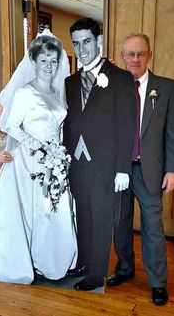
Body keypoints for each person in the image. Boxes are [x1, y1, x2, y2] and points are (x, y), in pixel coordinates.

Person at [0, 31, 77, 284]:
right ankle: (37, 261)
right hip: (30, 160)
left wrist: (56, 152)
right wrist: (39, 147)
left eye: (54, 61)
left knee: (58, 208)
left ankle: (58, 261)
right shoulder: (24, 93)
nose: (50, 66)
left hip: (55, 158)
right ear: (35, 62)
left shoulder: (57, 92)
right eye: (44, 61)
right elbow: (11, 126)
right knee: (39, 210)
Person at [106, 33, 174, 305]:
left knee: (153, 227)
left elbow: (173, 133)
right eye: (130, 54)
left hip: (151, 171)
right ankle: (125, 268)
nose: (135, 59)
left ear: (149, 55)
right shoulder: (112, 85)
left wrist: (172, 169)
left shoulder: (167, 87)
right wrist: (102, 76)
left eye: (140, 53)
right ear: (123, 56)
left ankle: (158, 282)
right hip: (118, 169)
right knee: (120, 222)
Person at [63, 17, 137, 291]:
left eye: (87, 42)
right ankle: (83, 262)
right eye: (76, 43)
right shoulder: (70, 83)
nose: (81, 49)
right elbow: (70, 123)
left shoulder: (120, 78)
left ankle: (96, 275)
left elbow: (127, 124)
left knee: (103, 217)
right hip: (76, 164)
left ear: (99, 42)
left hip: (106, 165)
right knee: (82, 214)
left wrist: (122, 169)